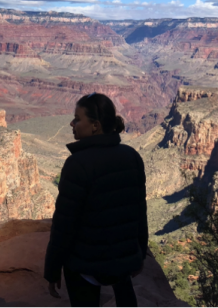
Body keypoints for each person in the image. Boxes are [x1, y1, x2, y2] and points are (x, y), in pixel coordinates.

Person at [44, 92, 148, 308]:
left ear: (95, 125)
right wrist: (139, 253)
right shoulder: (132, 156)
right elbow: (139, 211)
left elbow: (64, 225)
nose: (72, 123)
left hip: (85, 265)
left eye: (78, 118)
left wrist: (52, 270)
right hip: (122, 261)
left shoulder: (77, 164)